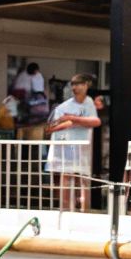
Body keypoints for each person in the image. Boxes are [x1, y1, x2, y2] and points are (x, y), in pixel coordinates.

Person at [45, 73, 101, 211]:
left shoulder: (89, 103)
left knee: (83, 180)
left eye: (78, 84)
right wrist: (70, 122)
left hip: (82, 149)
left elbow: (95, 121)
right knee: (66, 179)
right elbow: (50, 127)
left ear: (85, 85)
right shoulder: (64, 106)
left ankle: (84, 211)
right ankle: (65, 211)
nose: (75, 88)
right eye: (73, 85)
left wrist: (72, 120)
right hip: (65, 148)